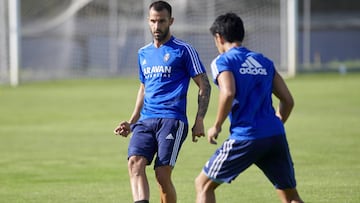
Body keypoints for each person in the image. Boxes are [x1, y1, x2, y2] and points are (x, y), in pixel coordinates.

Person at [194, 12, 304, 203]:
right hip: (275, 135)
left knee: (203, 185)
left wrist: (217, 125)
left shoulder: (223, 61)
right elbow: (288, 100)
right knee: (291, 197)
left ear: (219, 38)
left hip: (246, 136)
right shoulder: (264, 61)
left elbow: (228, 92)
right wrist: (275, 123)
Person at [114, 1, 211, 203]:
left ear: (171, 21)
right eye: (153, 21)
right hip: (146, 120)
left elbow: (204, 84)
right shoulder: (143, 53)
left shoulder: (184, 50)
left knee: (162, 174)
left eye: (161, 21)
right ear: (148, 22)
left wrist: (199, 119)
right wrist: (132, 122)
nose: (157, 26)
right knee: (135, 163)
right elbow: (144, 88)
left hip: (172, 120)